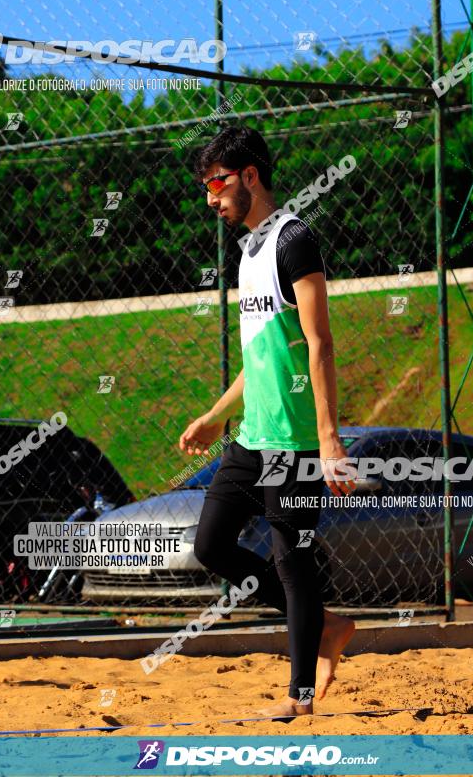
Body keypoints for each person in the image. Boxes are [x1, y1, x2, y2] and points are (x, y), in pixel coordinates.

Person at [179, 125, 356, 718]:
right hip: (253, 436)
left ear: (249, 175)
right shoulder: (248, 251)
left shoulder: (293, 240)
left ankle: (299, 697)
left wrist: (330, 438)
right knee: (211, 545)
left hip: (297, 440)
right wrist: (214, 415)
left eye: (216, 182)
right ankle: (326, 626)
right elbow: (258, 357)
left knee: (292, 558)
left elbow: (321, 341)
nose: (211, 197)